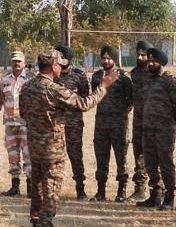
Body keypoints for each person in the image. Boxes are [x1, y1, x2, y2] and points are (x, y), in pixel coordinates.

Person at [20, 50, 114, 227]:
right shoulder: (53, 89)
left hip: (34, 148)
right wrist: (103, 87)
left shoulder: (27, 87)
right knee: (51, 193)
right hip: (52, 150)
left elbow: (23, 113)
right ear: (53, 66)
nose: (61, 68)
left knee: (37, 192)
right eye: (59, 65)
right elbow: (83, 104)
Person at [135, 46, 176, 210]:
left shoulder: (170, 80)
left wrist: (169, 122)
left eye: (154, 61)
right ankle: (155, 194)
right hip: (147, 128)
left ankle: (169, 197)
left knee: (165, 162)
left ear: (161, 63)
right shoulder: (147, 79)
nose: (150, 64)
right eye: (149, 61)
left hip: (164, 129)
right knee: (150, 162)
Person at [90, 44, 134, 202]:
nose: (106, 61)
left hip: (119, 124)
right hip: (101, 124)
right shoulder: (96, 77)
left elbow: (130, 101)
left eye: (109, 58)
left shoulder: (123, 77)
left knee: (121, 158)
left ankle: (121, 191)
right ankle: (100, 191)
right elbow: (94, 96)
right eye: (104, 58)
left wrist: (120, 113)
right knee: (101, 158)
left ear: (114, 60)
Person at [54, 44, 91, 199]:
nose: (59, 59)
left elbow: (84, 97)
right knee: (54, 157)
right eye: (57, 56)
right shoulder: (51, 74)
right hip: (55, 123)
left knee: (76, 156)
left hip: (74, 123)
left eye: (62, 57)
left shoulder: (78, 76)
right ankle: (53, 189)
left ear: (68, 59)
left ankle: (80, 189)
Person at [0, 50, 32, 196]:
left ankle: (31, 187)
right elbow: (0, 99)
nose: (16, 63)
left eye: (19, 61)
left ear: (24, 63)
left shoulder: (31, 80)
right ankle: (15, 185)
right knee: (13, 155)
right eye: (14, 61)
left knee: (28, 155)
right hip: (10, 124)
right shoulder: (4, 80)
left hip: (26, 124)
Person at [127, 41, 152, 201]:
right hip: (138, 121)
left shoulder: (156, 73)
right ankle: (140, 189)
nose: (140, 57)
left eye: (144, 54)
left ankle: (158, 191)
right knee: (139, 156)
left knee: (153, 157)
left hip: (153, 121)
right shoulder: (134, 74)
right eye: (138, 54)